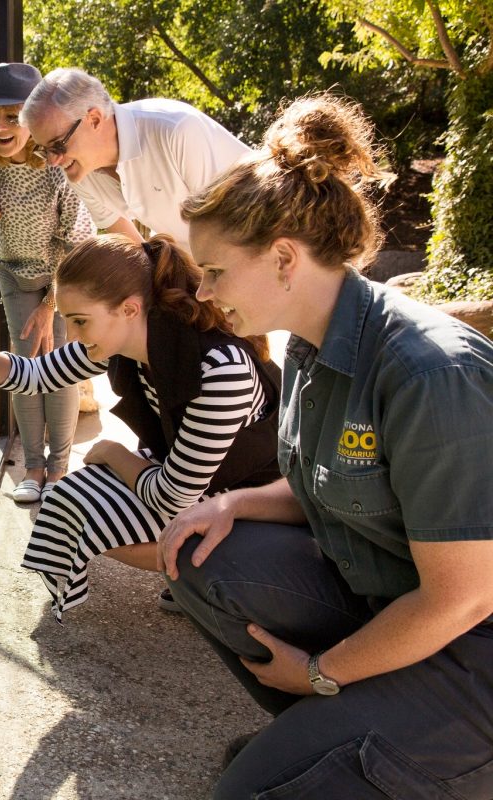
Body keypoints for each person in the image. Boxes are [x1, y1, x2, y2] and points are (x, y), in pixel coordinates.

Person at [158, 95, 493, 798]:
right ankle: (334, 740)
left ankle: (408, 757)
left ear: (283, 257)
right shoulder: (312, 344)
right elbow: (338, 479)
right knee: (200, 552)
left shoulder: (429, 371)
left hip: (473, 656)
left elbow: (462, 599)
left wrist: (320, 672)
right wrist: (235, 502)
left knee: (242, 794)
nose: (205, 293)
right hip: (393, 601)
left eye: (215, 271)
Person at [0, 233, 281, 622]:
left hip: (253, 495)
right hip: (191, 476)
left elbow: (173, 496)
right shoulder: (127, 339)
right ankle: (192, 570)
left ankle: (214, 572)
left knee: (102, 514)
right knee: (66, 501)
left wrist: (113, 452)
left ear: (129, 308)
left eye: (80, 321)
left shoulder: (219, 369)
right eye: (68, 321)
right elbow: (34, 374)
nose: (71, 335)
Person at [0, 62, 110, 503]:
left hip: (65, 273)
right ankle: (32, 467)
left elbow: (76, 237)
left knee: (60, 371)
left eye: (11, 116)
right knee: (23, 369)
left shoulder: (57, 163)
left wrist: (52, 304)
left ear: (30, 118)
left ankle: (60, 470)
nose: (0, 126)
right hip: (12, 269)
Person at [20, 68, 249, 252]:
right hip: (212, 267)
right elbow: (136, 247)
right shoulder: (79, 172)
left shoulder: (175, 131)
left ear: (95, 119)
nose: (52, 161)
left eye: (58, 144)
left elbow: (230, 229)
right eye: (44, 150)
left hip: (262, 240)